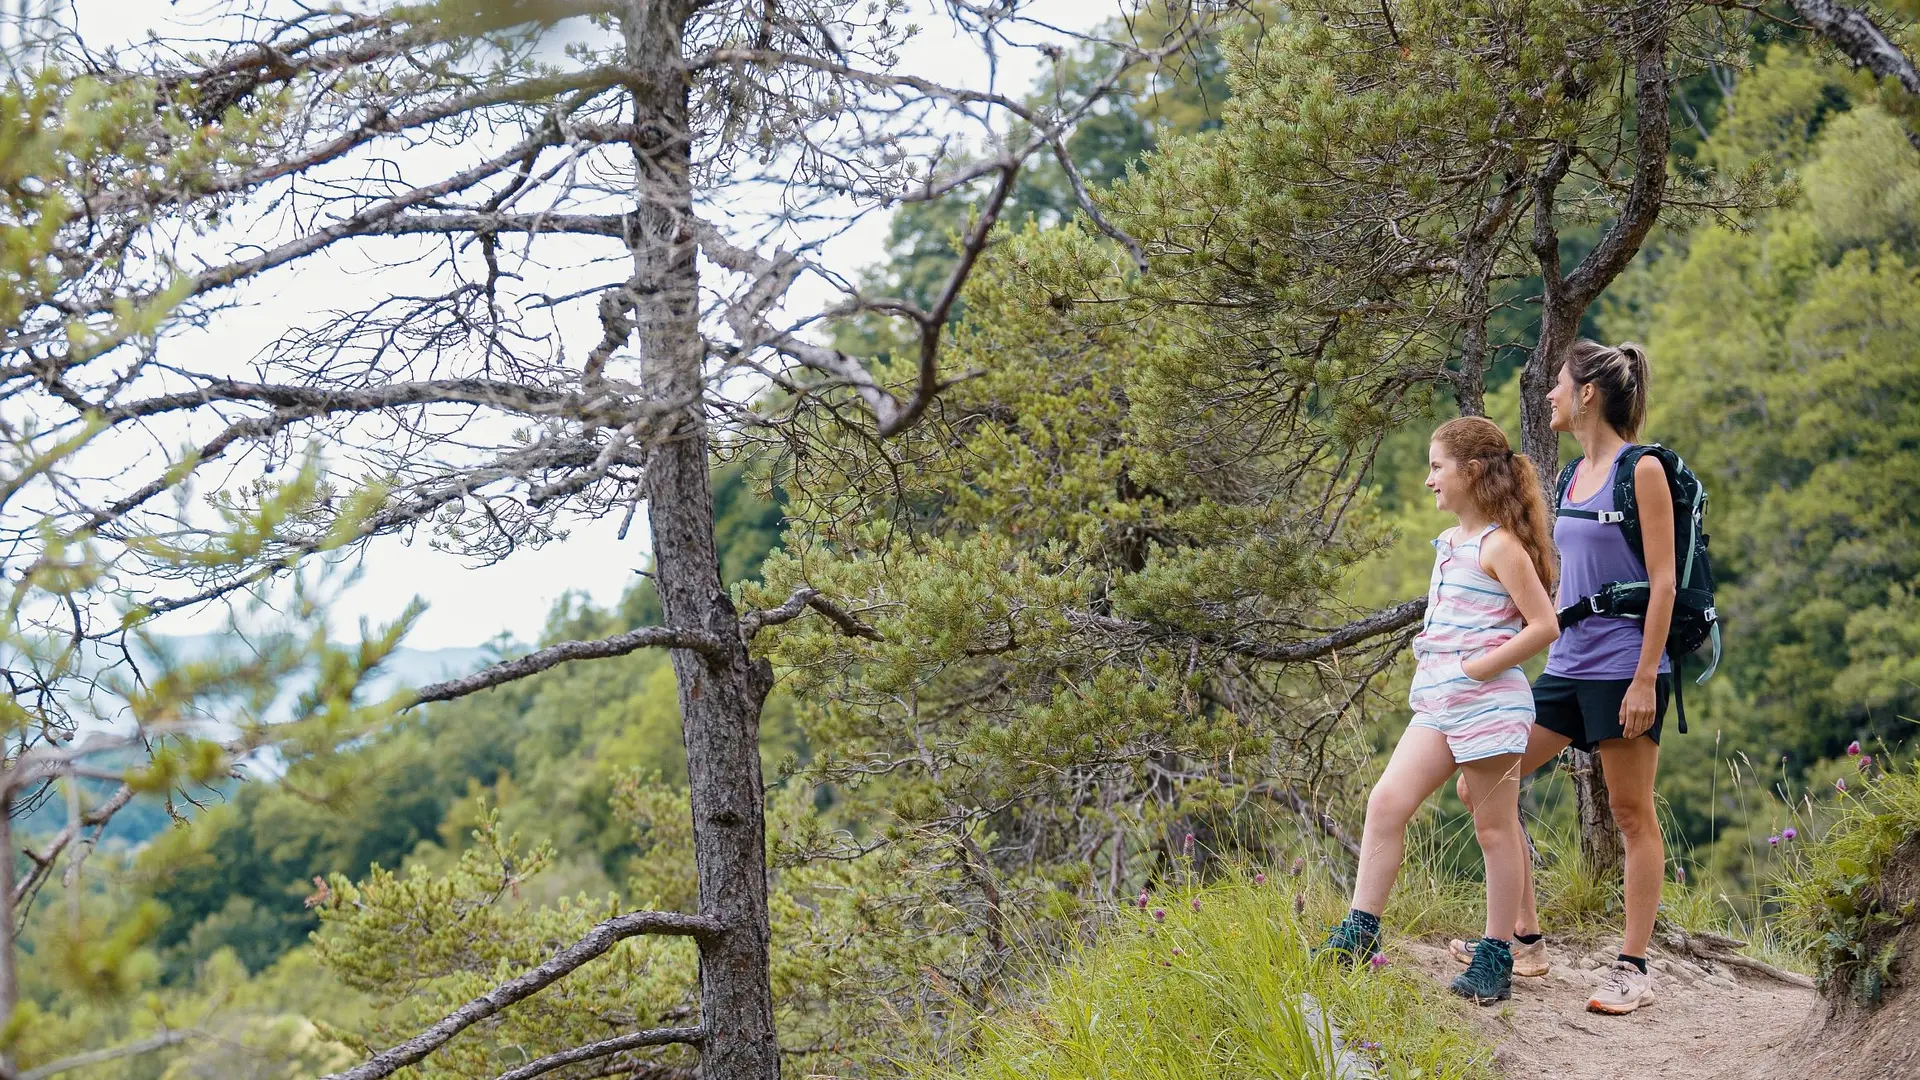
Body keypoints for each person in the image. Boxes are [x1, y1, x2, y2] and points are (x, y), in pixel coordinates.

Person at [1447, 339, 1675, 1016]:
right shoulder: (1573, 475)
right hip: (1567, 666)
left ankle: (1633, 969)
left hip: (1623, 669)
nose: (1547, 394)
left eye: (1558, 384)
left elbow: (1662, 584)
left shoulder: (1644, 470)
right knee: (1481, 784)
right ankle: (1526, 942)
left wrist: (1643, 680)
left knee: (1632, 812)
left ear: (1588, 395)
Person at [1316, 416, 1560, 1005]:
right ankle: (1359, 931)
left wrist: (1480, 667)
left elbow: (1545, 626)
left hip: (1490, 708)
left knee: (1494, 827)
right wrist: (1446, 675)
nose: (1429, 480)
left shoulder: (1500, 545)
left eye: (1436, 467)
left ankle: (1497, 956)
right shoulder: (1450, 543)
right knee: (1386, 802)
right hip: (1440, 704)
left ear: (1471, 473)